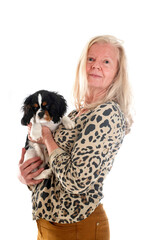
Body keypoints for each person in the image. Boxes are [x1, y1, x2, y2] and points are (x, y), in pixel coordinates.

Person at [18, 35, 133, 240]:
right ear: (82, 64)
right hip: (48, 225)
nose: (96, 66)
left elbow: (75, 181)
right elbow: (53, 172)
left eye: (106, 62)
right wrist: (26, 176)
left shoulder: (106, 114)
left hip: (77, 226)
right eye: (91, 59)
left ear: (117, 73)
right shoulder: (75, 114)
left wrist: (47, 138)